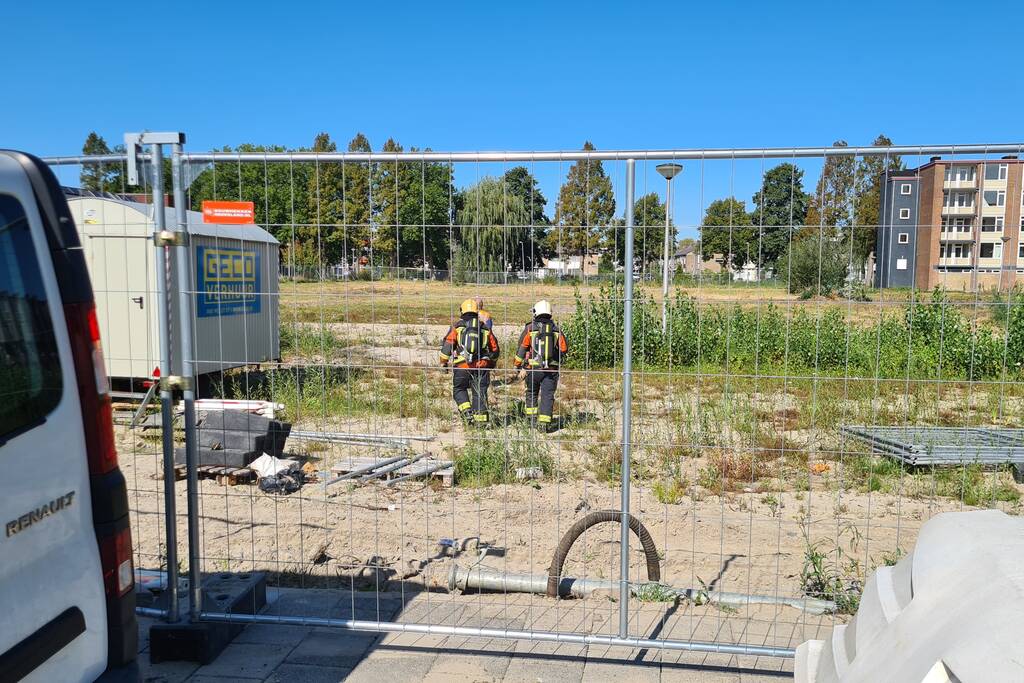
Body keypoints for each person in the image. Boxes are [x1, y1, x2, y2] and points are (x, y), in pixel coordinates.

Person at [440, 298, 499, 426]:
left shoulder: (457, 327)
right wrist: (491, 363)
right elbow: (495, 349)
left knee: (459, 389)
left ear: (462, 311)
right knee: (479, 392)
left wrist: (443, 362)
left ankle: (466, 412)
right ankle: (481, 423)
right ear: (477, 311)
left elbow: (447, 347)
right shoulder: (484, 328)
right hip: (481, 367)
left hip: (462, 366)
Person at [514, 300, 568, 431]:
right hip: (550, 371)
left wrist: (518, 366)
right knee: (547, 396)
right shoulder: (556, 330)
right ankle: (544, 424)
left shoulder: (530, 329)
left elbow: (522, 348)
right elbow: (564, 349)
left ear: (536, 313)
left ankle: (531, 420)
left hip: (532, 369)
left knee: (531, 393)